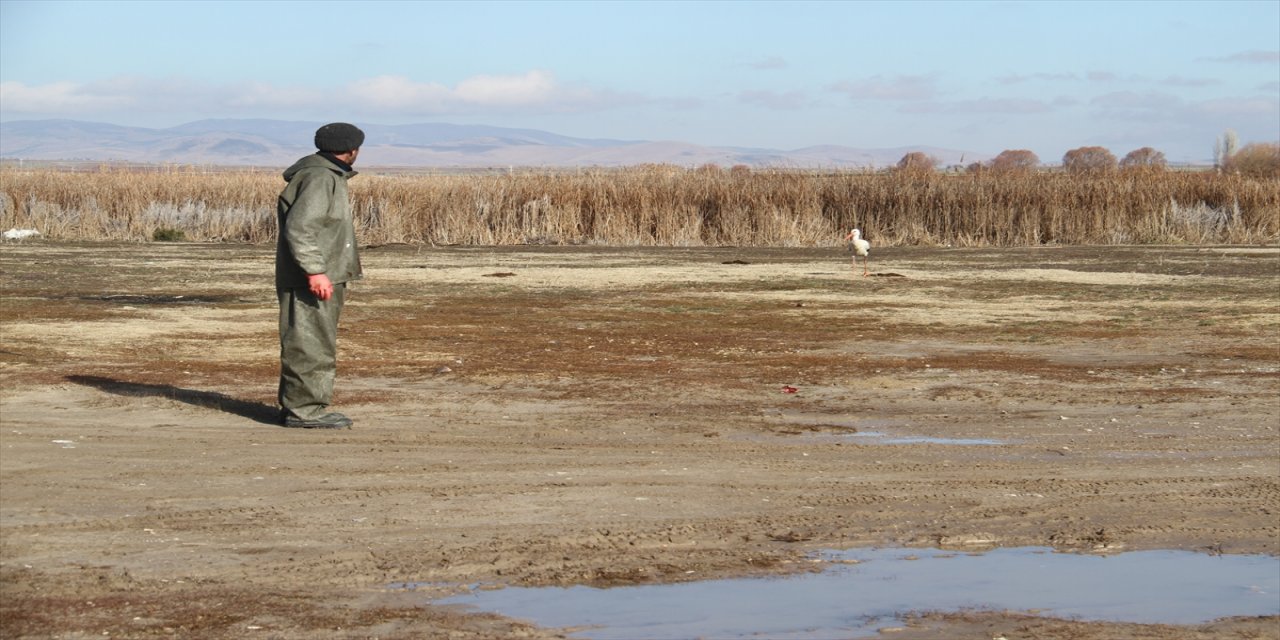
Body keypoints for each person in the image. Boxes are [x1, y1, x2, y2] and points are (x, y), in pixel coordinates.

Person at [275, 122, 365, 429]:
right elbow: (300, 228)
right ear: (352, 150)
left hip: (321, 274)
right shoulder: (320, 178)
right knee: (309, 342)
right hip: (311, 278)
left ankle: (300, 406)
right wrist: (315, 271)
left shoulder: (325, 175)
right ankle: (305, 411)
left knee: (315, 341)